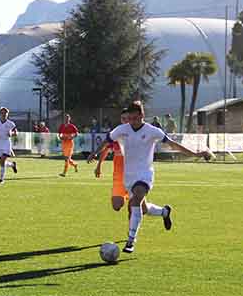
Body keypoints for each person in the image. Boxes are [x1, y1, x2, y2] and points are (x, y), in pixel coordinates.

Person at [88, 101, 212, 253]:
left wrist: (195, 154)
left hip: (145, 174)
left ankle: (131, 241)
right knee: (143, 208)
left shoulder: (152, 131)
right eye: (130, 118)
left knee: (135, 201)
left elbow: (172, 144)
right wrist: (94, 153)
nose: (132, 122)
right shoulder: (122, 129)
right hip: (129, 176)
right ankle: (164, 212)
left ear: (142, 116)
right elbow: (107, 140)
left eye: (135, 118)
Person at [92, 109, 130, 214]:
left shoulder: (136, 132)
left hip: (133, 173)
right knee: (116, 205)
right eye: (123, 118)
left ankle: (132, 230)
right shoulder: (116, 133)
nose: (125, 121)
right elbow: (106, 149)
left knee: (135, 205)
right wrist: (99, 165)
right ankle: (163, 211)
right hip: (118, 175)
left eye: (128, 118)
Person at [0, 107, 18, 184]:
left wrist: (12, 133)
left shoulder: (10, 123)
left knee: (3, 160)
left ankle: (1, 179)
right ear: (0, 114)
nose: (3, 114)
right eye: (2, 113)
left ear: (7, 114)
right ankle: (12, 165)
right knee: (1, 162)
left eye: (5, 113)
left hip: (7, 143)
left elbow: (16, 133)